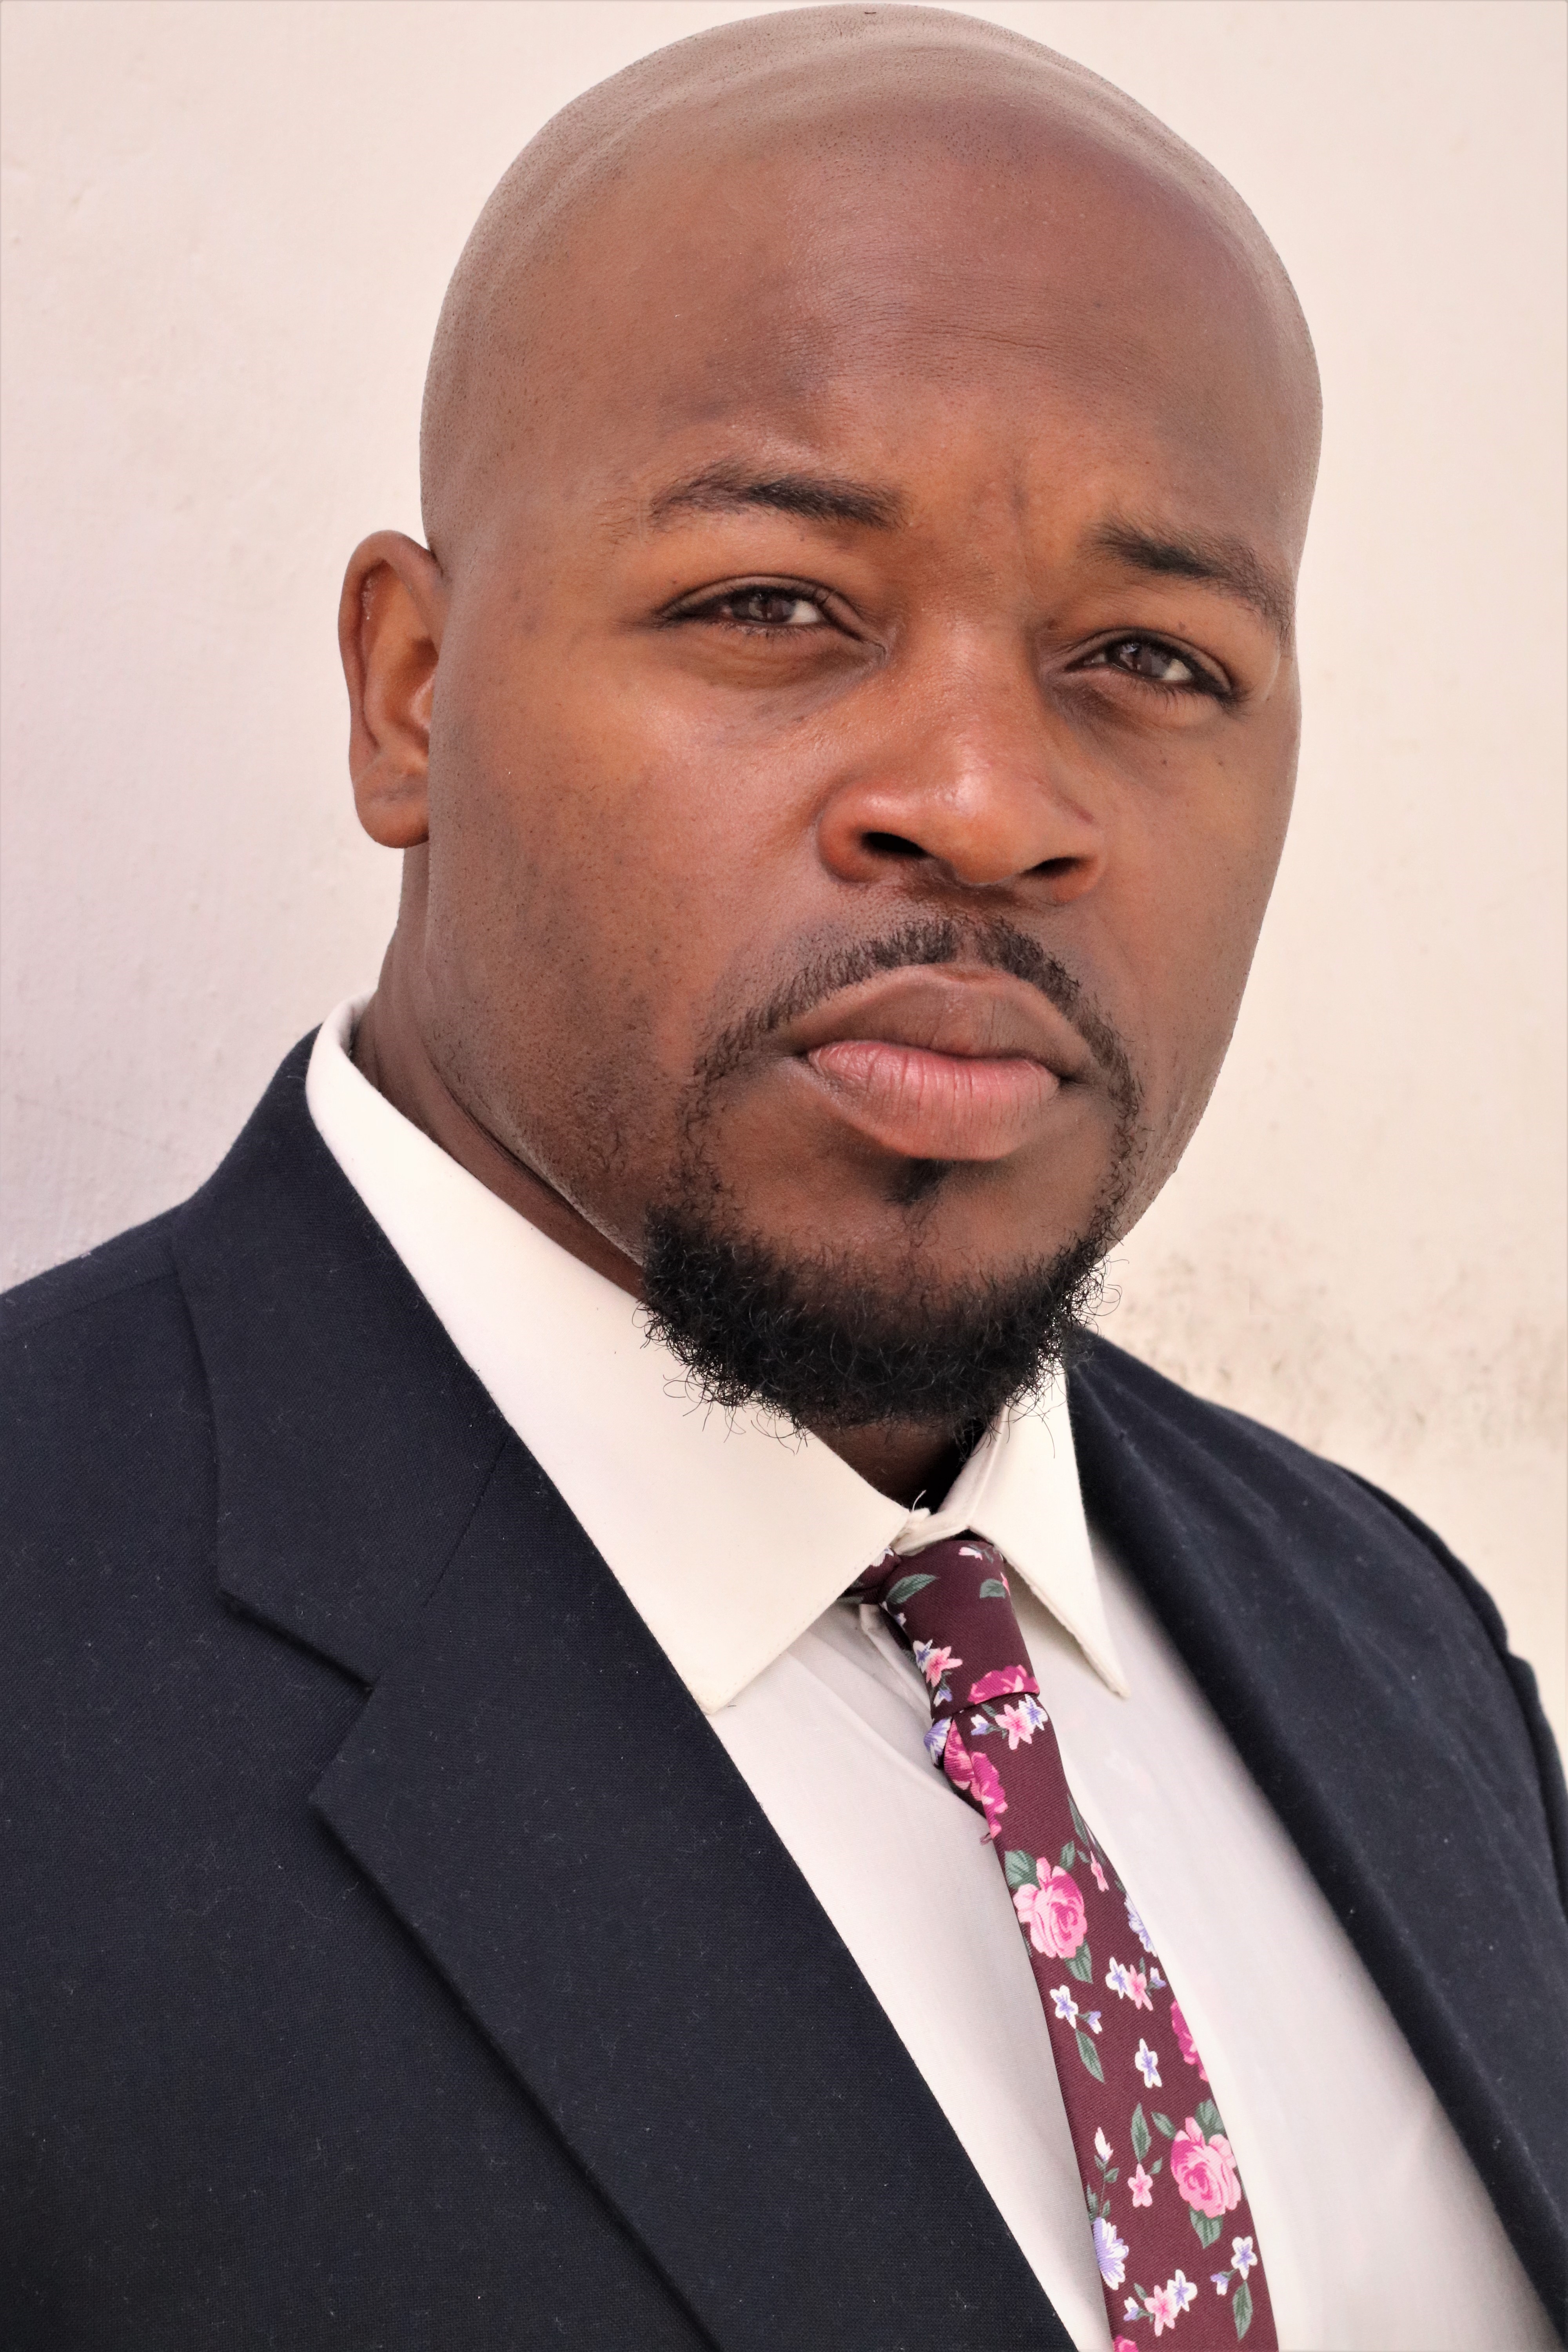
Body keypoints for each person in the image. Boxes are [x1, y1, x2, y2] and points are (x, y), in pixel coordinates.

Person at [3, 8, 1563, 2347]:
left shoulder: (1401, 1640)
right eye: (773, 605)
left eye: (1151, 655)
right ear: (409, 692)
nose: (987, 800)